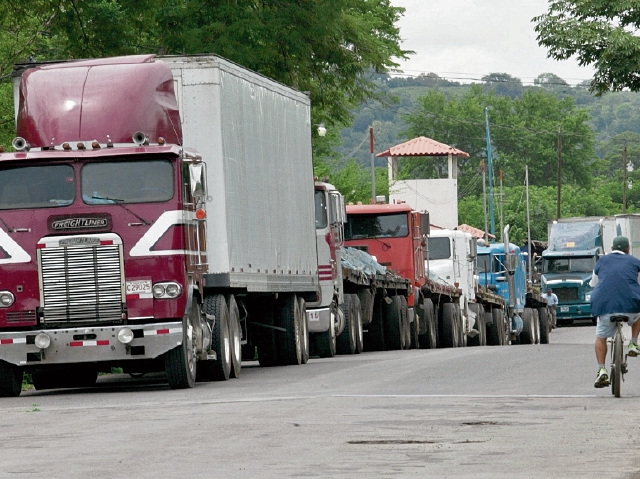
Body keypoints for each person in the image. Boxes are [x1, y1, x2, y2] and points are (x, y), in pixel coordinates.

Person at [589, 236, 640, 388]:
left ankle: (601, 369)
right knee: (638, 316)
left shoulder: (601, 261)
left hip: (605, 306)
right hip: (630, 306)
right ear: (628, 249)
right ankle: (633, 343)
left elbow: (594, 283)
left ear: (612, 248)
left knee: (601, 337)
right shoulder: (635, 262)